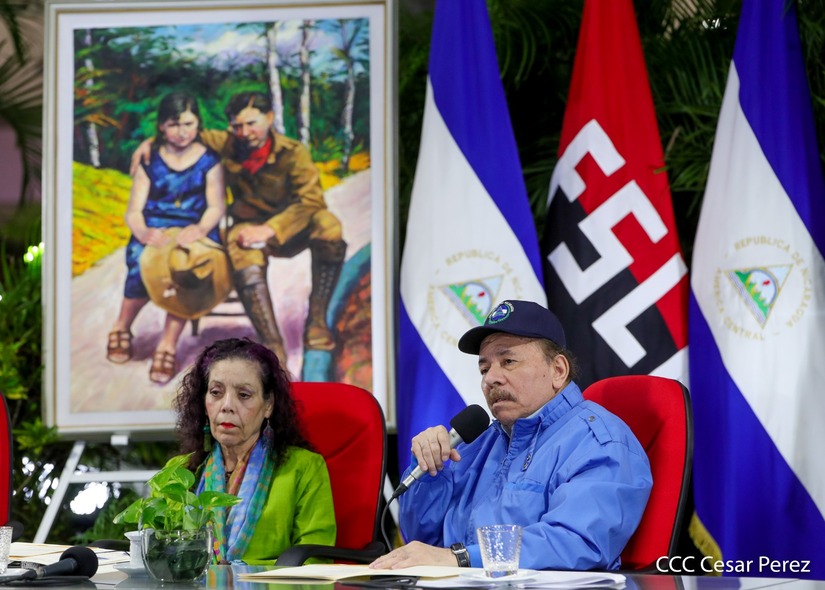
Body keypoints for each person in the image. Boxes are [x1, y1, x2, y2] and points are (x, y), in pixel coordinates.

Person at [371, 300, 653, 571]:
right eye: (484, 368)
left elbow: (575, 542)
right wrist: (431, 471)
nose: (490, 378)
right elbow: (422, 541)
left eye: (508, 361)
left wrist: (462, 558)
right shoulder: (478, 443)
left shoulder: (599, 442)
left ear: (558, 370)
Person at [133, 91, 346, 365]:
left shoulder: (294, 152)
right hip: (247, 225)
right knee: (239, 248)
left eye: (252, 123)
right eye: (237, 126)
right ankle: (272, 344)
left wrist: (270, 229)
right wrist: (149, 143)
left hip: (293, 226)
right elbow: (186, 132)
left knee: (329, 226)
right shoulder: (229, 142)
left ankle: (317, 321)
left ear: (269, 117)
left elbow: (311, 201)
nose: (244, 133)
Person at [174, 337, 336, 564]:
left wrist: (239, 576)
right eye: (216, 392)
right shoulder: (180, 473)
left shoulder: (304, 467)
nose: (227, 406)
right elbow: (159, 551)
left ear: (268, 405)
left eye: (244, 395)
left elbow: (315, 561)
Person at [107, 91, 225, 384]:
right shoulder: (150, 160)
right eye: (174, 125)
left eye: (188, 124)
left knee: (187, 269)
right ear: (161, 126)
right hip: (156, 227)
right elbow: (134, 211)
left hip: (193, 228)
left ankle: (167, 344)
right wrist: (143, 232)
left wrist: (200, 229)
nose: (182, 132)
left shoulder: (209, 160)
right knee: (140, 262)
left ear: (198, 124)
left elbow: (216, 206)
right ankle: (122, 325)